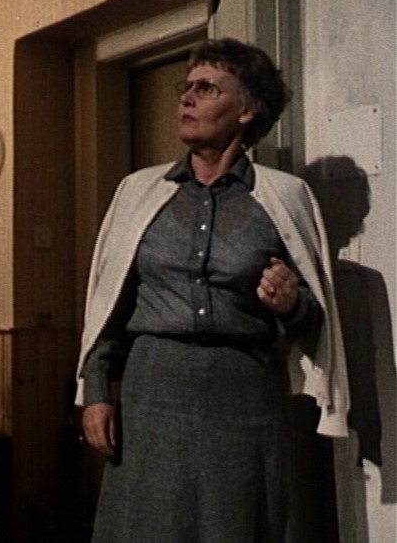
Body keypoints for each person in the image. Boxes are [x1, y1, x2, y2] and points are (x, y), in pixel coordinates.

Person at [74, 37, 350, 543]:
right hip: (152, 397)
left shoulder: (283, 198)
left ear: (248, 109)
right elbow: (108, 302)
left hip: (243, 399)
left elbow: (316, 320)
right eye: (187, 86)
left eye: (207, 88)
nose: (187, 97)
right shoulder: (140, 192)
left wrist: (291, 303)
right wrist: (95, 393)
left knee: (236, 526)